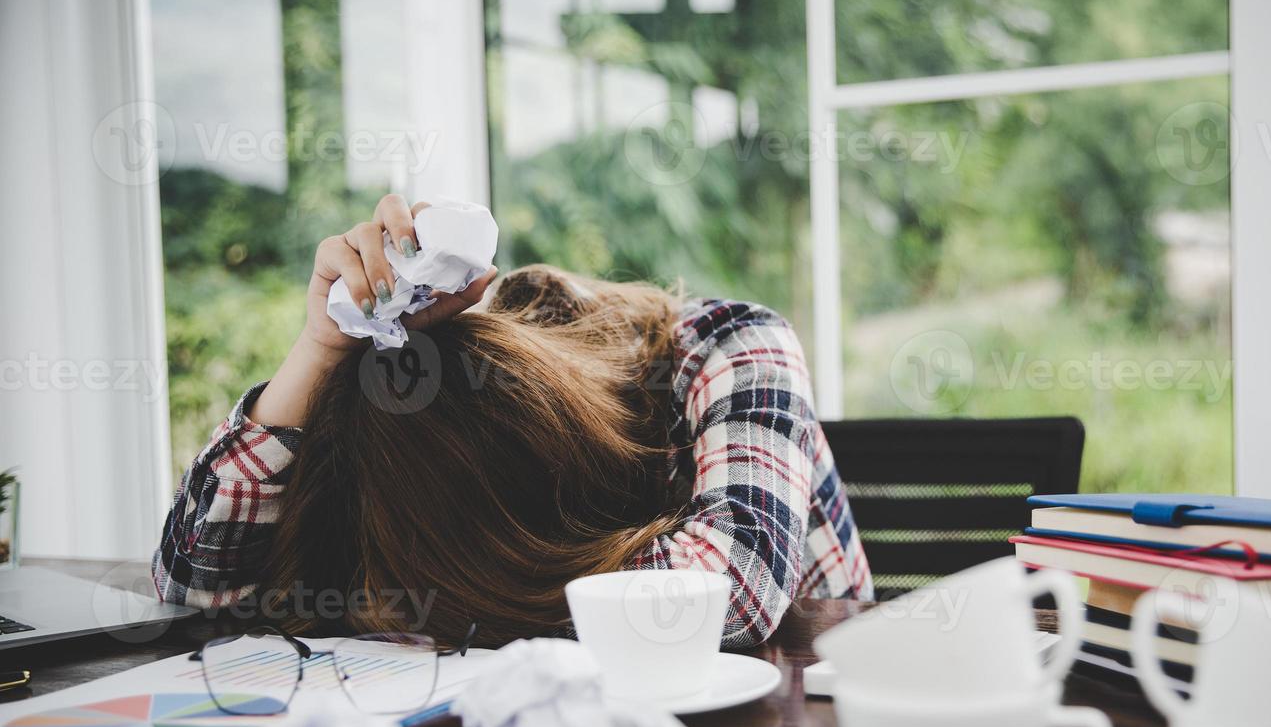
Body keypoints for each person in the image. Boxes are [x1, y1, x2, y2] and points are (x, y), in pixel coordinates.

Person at [152, 195, 870, 648]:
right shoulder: (393, 421)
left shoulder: (725, 345)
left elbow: (735, 586)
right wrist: (321, 351)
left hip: (807, 706)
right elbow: (194, 584)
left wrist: (463, 612)